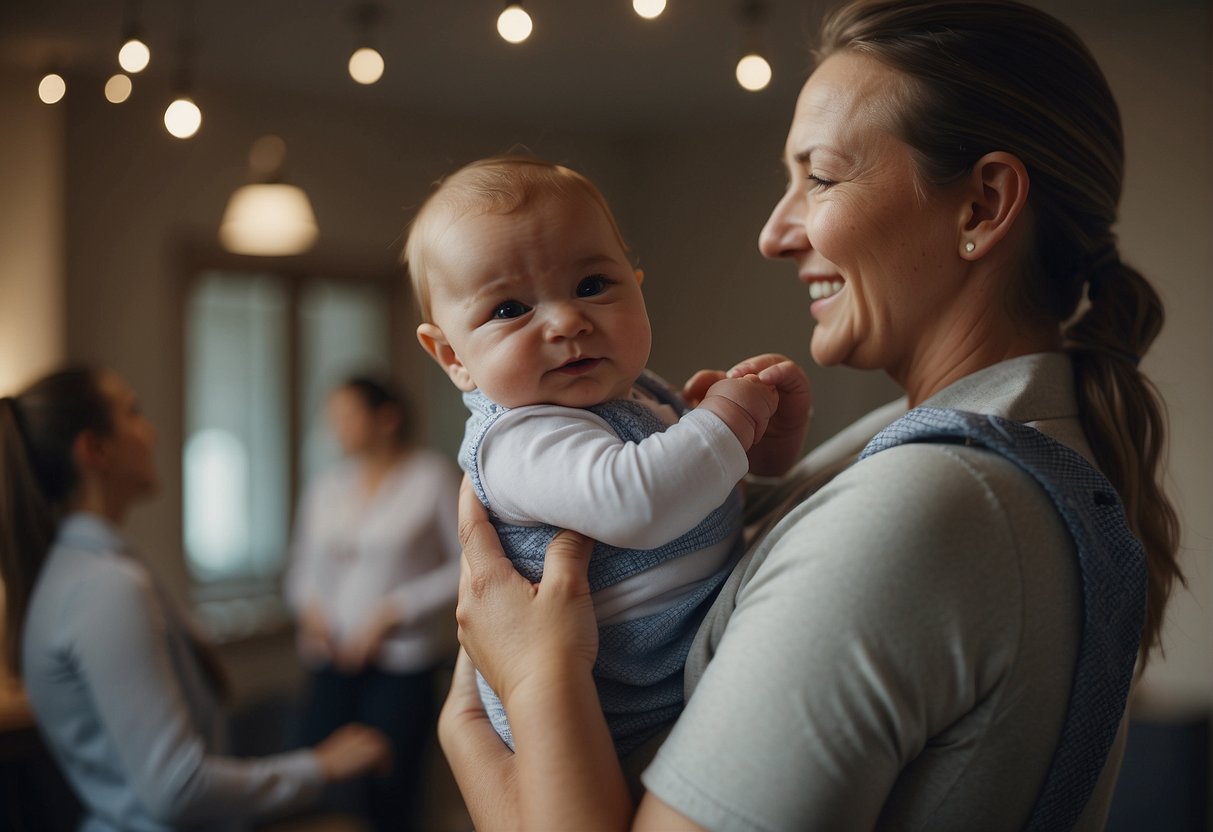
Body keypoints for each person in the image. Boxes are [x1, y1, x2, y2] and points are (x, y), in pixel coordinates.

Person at [436, 1, 1185, 829]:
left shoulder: (926, 504)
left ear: (980, 206)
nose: (772, 234)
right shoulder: (958, 447)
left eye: (819, 177)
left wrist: (507, 698)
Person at [406, 155, 809, 756]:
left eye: (592, 286)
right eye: (510, 309)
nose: (568, 320)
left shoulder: (639, 392)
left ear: (636, 287)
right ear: (452, 358)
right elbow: (638, 502)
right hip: (614, 719)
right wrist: (727, 420)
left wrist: (763, 436)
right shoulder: (517, 439)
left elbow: (716, 493)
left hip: (674, 670)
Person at [0, 367, 391, 832]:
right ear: (94, 449)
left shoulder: (78, 572)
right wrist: (320, 767)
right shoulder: (103, 586)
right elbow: (175, 788)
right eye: (133, 413)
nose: (152, 430)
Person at [284, 374, 462, 831]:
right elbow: (302, 566)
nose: (336, 428)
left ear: (386, 419)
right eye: (333, 419)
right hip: (329, 660)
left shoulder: (430, 478)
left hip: (401, 663)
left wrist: (393, 612)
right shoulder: (326, 486)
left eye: (347, 416)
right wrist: (311, 610)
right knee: (321, 787)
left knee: (391, 794)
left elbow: (467, 565)